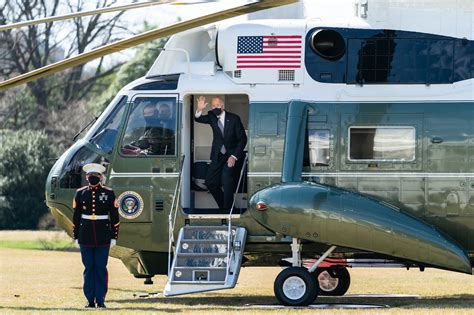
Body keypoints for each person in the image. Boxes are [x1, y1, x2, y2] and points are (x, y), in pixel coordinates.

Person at [72, 163, 120, 309]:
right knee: (88, 268)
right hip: (85, 235)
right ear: (86, 177)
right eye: (90, 176)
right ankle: (90, 300)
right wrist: (75, 236)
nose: (93, 178)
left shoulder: (109, 193)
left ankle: (100, 300)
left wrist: (114, 237)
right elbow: (76, 216)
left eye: (96, 176)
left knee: (100, 267)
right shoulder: (80, 193)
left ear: (100, 177)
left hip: (103, 235)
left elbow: (115, 217)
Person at [194, 95, 247, 211]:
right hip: (218, 155)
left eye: (217, 105)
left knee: (226, 179)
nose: (215, 108)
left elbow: (243, 139)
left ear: (222, 105)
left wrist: (234, 156)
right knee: (210, 182)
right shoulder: (212, 116)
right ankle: (225, 207)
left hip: (231, 155)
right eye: (213, 106)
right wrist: (199, 109)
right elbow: (198, 118)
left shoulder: (234, 118)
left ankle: (228, 211)